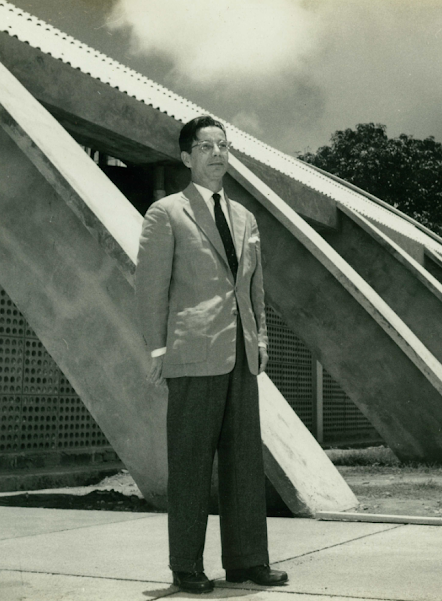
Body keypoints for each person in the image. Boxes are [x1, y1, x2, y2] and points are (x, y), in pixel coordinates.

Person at [136, 115, 288, 594]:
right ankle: (186, 565)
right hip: (192, 352)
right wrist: (157, 346)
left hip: (241, 355)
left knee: (243, 462)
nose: (218, 154)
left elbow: (254, 287)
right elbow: (150, 287)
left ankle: (246, 562)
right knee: (191, 462)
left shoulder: (246, 218)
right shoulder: (166, 213)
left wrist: (260, 339)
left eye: (223, 146)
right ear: (187, 157)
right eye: (206, 147)